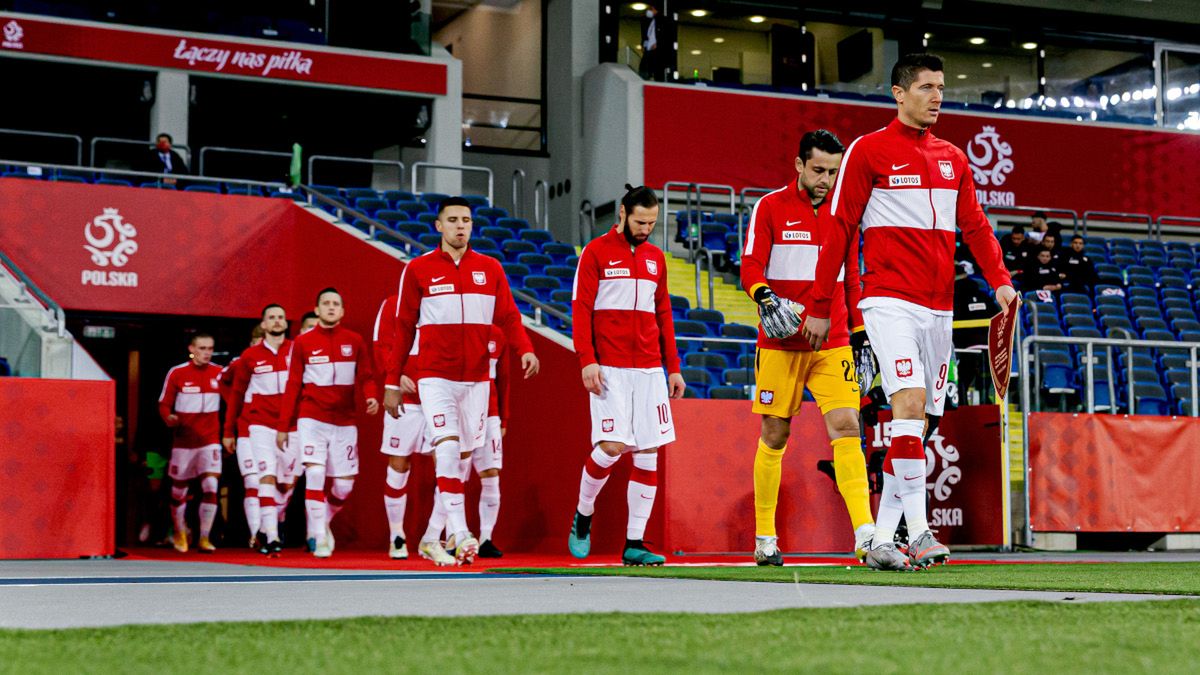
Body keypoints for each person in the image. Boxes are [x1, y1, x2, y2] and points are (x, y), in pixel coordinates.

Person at [803, 53, 1017, 571]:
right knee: (909, 402)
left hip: (938, 310)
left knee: (919, 423)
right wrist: (819, 306)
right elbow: (838, 232)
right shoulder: (868, 152)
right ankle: (919, 532)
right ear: (899, 93)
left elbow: (978, 227)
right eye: (926, 87)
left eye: (941, 87)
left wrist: (1002, 283)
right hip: (888, 301)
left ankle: (878, 538)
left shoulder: (954, 158)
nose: (937, 96)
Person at [739, 129, 876, 567]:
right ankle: (765, 536)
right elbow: (750, 266)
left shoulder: (845, 214)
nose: (827, 179)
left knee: (847, 426)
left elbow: (851, 280)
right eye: (819, 170)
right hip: (781, 344)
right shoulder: (770, 208)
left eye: (834, 172)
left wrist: (859, 334)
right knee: (775, 435)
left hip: (832, 341)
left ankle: (867, 536)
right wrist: (763, 296)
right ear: (799, 165)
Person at [383, 196, 539, 565]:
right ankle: (461, 531)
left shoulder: (491, 268)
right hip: (435, 378)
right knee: (448, 450)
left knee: (463, 460)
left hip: (477, 382)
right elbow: (403, 328)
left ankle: (428, 539)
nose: (460, 226)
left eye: (466, 220)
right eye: (452, 220)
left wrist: (525, 349)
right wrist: (392, 382)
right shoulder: (418, 269)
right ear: (439, 226)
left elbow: (510, 316)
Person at [566, 184, 686, 566]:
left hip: (649, 369)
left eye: (652, 223)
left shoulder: (655, 258)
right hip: (610, 368)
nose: (646, 229)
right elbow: (581, 307)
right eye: (640, 221)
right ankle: (584, 514)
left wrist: (674, 367)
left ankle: (635, 543)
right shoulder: (596, 253)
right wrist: (587, 359)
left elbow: (663, 314)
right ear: (622, 214)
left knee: (648, 450)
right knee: (613, 447)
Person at [277, 288, 379, 558]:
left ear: (343, 311)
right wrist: (284, 425)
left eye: (336, 304)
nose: (331, 307)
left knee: (343, 487)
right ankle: (319, 538)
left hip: (345, 421)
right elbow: (292, 385)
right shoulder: (303, 342)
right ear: (317, 309)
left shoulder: (355, 341)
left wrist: (371, 397)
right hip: (312, 418)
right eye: (326, 303)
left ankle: (323, 520)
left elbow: (367, 376)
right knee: (314, 473)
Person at [372, 294, 445, 562]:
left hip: (438, 394)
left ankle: (433, 536)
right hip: (406, 400)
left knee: (447, 465)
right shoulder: (391, 304)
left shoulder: (442, 302)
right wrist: (395, 377)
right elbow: (380, 345)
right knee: (399, 465)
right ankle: (396, 535)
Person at [224, 305, 295, 556]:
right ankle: (269, 535)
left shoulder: (297, 351)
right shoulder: (249, 356)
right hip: (259, 424)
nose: (276, 321)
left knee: (286, 484)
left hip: (292, 426)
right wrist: (229, 429)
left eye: (280, 317)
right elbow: (235, 393)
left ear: (286, 323)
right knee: (263, 477)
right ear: (263, 325)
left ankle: (268, 527)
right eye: (271, 318)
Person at [158, 333, 225, 553]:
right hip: (184, 442)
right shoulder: (177, 373)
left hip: (210, 440)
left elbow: (235, 398)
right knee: (179, 491)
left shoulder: (219, 373)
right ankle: (179, 531)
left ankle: (204, 537)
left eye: (210, 348)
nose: (206, 353)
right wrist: (170, 419)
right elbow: (164, 404)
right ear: (192, 349)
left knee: (211, 486)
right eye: (202, 348)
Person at [218, 325, 264, 549]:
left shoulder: (283, 359)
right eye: (257, 341)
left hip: (273, 428)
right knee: (253, 481)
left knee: (277, 484)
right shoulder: (241, 362)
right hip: (247, 429)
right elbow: (222, 380)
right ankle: (255, 534)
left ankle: (269, 530)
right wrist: (237, 406)